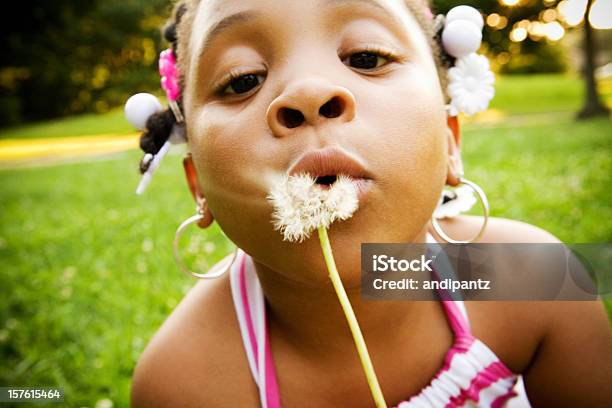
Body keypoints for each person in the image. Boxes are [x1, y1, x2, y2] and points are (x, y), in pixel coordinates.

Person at [129, 0, 612, 406]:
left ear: (450, 142)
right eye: (242, 80)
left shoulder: (535, 281)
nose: (309, 93)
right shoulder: (181, 385)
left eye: (366, 56)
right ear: (199, 187)